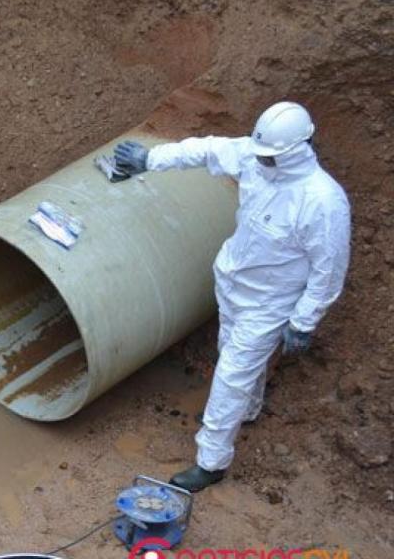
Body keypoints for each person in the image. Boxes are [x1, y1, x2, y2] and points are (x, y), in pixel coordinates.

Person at [112, 101, 351, 492]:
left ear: (297, 149)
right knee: (232, 359)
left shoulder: (322, 201)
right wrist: (150, 158)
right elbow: (205, 150)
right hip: (233, 285)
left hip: (270, 303)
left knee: (229, 377)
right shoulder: (257, 160)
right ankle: (249, 410)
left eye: (272, 157)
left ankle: (211, 462)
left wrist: (304, 320)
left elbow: (329, 269)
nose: (263, 162)